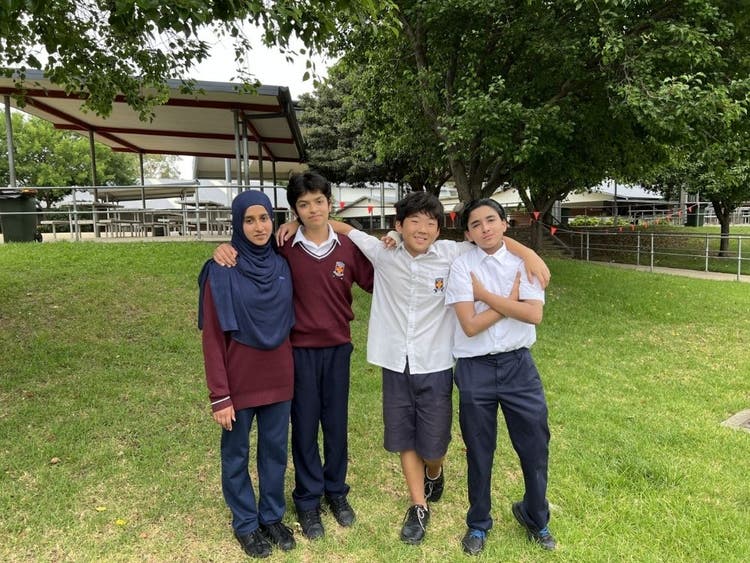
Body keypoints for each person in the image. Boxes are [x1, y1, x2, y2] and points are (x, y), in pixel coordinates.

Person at [305, 191, 550, 546]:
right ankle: (418, 505)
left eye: (430, 223)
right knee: (404, 435)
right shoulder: (382, 251)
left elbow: (489, 236)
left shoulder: (453, 253)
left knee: (434, 445)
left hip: (434, 361)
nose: (422, 229)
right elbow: (340, 227)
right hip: (394, 359)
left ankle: (435, 471)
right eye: (413, 222)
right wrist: (299, 222)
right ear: (398, 226)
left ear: (440, 230)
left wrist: (527, 251)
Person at [212, 172, 374, 541]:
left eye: (319, 201)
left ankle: (336, 491)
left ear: (330, 203)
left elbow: (377, 279)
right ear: (293, 211)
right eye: (303, 204)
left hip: (337, 349)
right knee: (303, 428)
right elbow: (246, 246)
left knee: (335, 426)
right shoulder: (283, 246)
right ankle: (307, 499)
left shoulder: (347, 247)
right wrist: (220, 248)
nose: (313, 209)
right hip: (297, 352)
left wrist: (393, 241)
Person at [444, 198, 555, 555]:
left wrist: (484, 295)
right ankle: (478, 524)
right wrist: (508, 303)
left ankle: (536, 517)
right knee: (479, 449)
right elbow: (471, 325)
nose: (485, 228)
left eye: (491, 220)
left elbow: (533, 315)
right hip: (475, 368)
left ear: (505, 224)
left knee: (535, 446)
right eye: (476, 224)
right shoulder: (461, 266)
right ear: (468, 233)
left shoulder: (525, 263)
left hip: (519, 366)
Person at [198, 190, 297, 558]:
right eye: (249, 220)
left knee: (274, 452)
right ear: (237, 224)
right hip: (238, 382)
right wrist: (220, 395)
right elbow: (212, 338)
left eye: (265, 218)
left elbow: (313, 230)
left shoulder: (283, 264)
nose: (259, 227)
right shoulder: (221, 270)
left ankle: (271, 516)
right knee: (236, 454)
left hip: (280, 378)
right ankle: (245, 523)